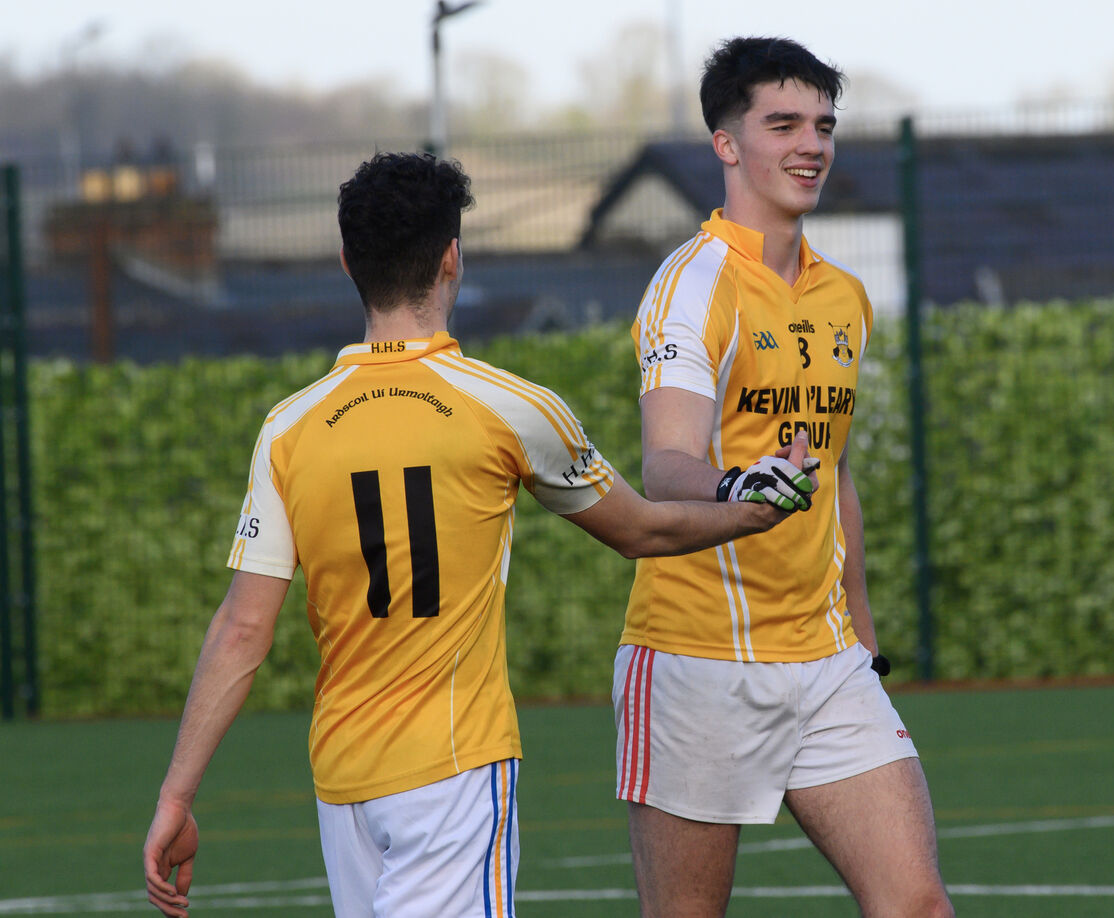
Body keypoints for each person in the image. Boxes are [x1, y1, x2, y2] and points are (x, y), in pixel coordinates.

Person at [142, 151, 812, 918]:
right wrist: (751, 505)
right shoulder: (512, 407)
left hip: (342, 787)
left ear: (346, 263)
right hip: (455, 772)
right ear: (452, 259)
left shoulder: (287, 430)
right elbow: (645, 530)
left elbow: (241, 629)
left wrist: (175, 796)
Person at [613, 37, 955, 917]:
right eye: (784, 124)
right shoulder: (690, 286)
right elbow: (668, 465)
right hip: (697, 663)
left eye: (824, 125)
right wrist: (737, 488)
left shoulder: (845, 296)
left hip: (827, 660)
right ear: (727, 143)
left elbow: (834, 479)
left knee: (916, 905)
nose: (812, 144)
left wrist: (865, 646)